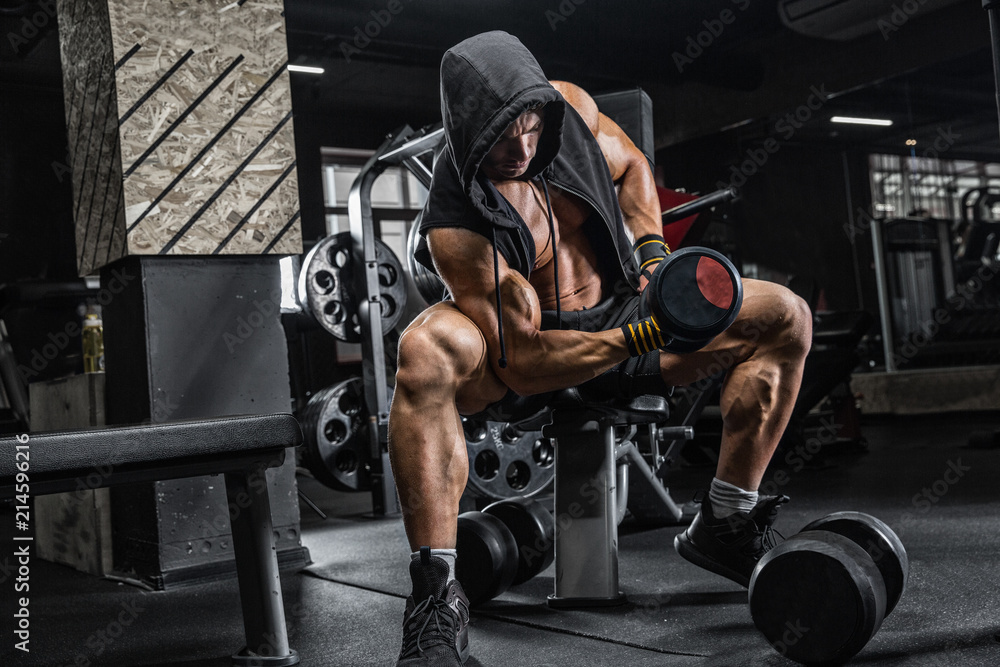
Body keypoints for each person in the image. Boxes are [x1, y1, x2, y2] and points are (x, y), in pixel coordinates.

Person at [388, 31, 812, 666]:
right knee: (424, 350)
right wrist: (639, 337)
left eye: (532, 132)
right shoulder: (457, 225)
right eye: (504, 142)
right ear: (470, 131)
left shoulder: (570, 111)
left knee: (784, 314)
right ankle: (435, 594)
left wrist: (651, 256)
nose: (523, 151)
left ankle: (725, 521)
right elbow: (524, 362)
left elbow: (634, 166)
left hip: (623, 308)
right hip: (526, 356)